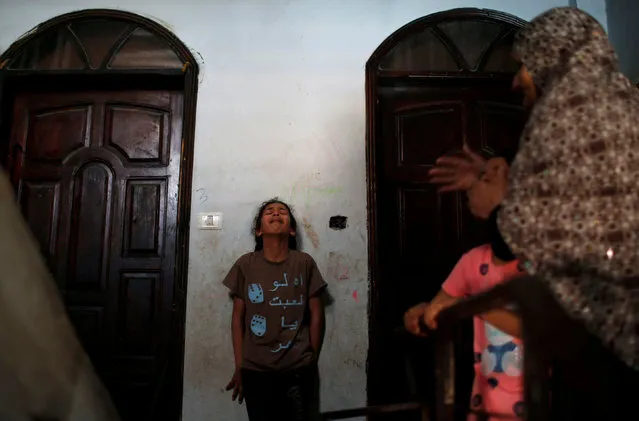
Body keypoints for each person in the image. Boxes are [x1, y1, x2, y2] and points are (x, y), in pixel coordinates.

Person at [428, 6, 639, 418]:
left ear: (550, 57)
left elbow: (562, 233)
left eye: (523, 65)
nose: (517, 79)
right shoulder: (623, 100)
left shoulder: (568, 114)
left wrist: (499, 204)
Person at [405, 164, 526, 420]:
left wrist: (474, 307)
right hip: (485, 404)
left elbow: (538, 327)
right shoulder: (474, 261)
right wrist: (422, 312)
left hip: (540, 402)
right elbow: (438, 308)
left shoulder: (545, 262)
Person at [223, 198, 327, 421]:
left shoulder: (305, 263)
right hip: (255, 369)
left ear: (291, 230)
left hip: (297, 368)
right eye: (269, 211)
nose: (276, 213)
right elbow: (237, 318)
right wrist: (240, 364)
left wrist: (311, 359)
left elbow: (317, 314)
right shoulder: (245, 264)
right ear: (259, 231)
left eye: (282, 211)